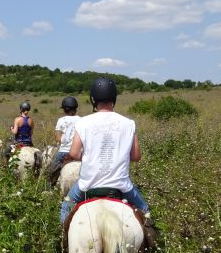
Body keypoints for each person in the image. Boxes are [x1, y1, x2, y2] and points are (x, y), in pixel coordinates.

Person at [59, 77, 152, 226]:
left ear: (93, 99)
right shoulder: (128, 123)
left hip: (87, 185)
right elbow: (136, 156)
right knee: (145, 212)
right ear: (114, 98)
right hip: (121, 185)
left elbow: (74, 154)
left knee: (65, 209)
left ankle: (62, 243)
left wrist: (90, 156)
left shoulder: (83, 122)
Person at [54, 96, 81, 166]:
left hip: (63, 152)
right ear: (75, 109)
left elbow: (58, 139)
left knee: (50, 174)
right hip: (78, 154)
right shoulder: (81, 120)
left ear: (64, 109)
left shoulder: (61, 120)